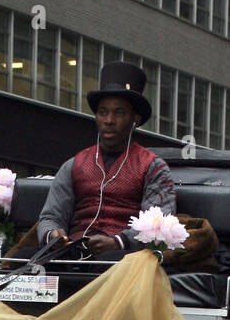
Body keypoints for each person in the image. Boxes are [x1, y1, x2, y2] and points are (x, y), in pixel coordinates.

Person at [37, 63, 176, 256]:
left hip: (123, 255)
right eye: (103, 112)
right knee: (22, 260)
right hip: (74, 249)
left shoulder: (153, 167)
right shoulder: (74, 164)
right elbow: (51, 216)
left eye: (119, 113)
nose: (109, 120)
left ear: (134, 119)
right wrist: (52, 234)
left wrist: (118, 242)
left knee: (111, 259)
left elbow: (159, 224)